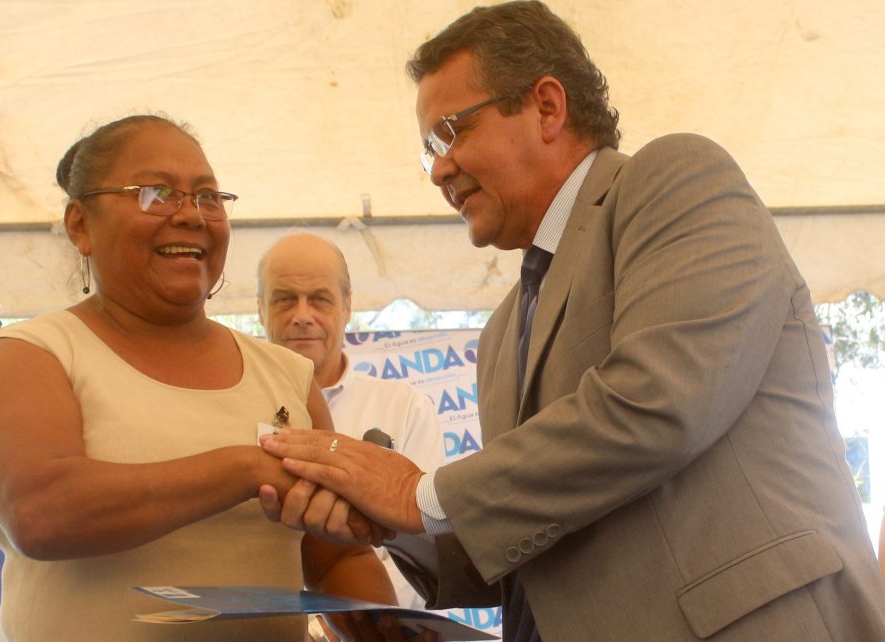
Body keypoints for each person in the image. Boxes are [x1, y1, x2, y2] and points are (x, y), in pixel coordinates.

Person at [259, 2, 885, 640]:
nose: (439, 169)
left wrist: (417, 494)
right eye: (428, 153)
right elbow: (527, 534)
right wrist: (382, 521)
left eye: (449, 133)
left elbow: (657, 403)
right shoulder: (502, 332)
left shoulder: (675, 179)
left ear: (547, 107)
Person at [0, 114, 401, 641]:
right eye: (157, 193)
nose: (191, 215)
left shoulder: (286, 375)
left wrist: (382, 624)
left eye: (208, 197)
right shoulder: (31, 356)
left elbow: (336, 557)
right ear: (80, 225)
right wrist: (246, 468)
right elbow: (39, 514)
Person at [257, 232, 447, 612]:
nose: (302, 315)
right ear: (260, 309)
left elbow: (424, 543)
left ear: (347, 307)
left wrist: (356, 623)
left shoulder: (404, 407)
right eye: (284, 299)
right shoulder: (235, 406)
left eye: (320, 299)